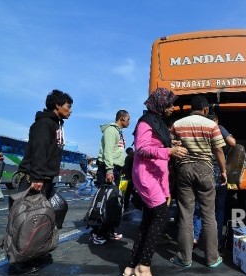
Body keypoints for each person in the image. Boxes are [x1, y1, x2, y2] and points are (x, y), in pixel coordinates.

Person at [122, 88, 187, 276]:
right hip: (146, 176)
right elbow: (142, 149)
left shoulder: (157, 122)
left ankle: (132, 266)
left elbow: (158, 148)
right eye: (170, 105)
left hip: (157, 177)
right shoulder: (145, 122)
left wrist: (171, 146)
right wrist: (169, 151)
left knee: (148, 221)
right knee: (160, 216)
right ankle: (144, 265)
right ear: (160, 105)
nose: (173, 108)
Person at [12, 89, 73, 274]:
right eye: (68, 106)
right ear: (57, 106)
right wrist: (38, 177)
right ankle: (20, 261)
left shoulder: (56, 124)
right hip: (34, 179)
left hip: (44, 179)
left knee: (41, 218)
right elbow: (39, 150)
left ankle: (34, 252)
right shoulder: (44, 124)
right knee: (27, 220)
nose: (70, 110)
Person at [170, 95, 227, 268]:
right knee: (208, 215)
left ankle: (185, 259)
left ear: (190, 108)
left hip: (184, 169)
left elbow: (172, 146)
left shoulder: (177, 124)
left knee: (186, 214)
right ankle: (211, 259)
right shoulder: (212, 125)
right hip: (205, 170)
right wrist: (223, 171)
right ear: (206, 109)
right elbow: (218, 150)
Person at [193, 113, 236, 250]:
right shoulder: (217, 127)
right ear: (216, 120)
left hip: (201, 171)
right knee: (219, 209)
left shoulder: (199, 128)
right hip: (217, 172)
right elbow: (232, 143)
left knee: (199, 207)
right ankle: (216, 240)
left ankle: (195, 237)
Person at [91, 109, 130, 244]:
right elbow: (108, 151)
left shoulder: (119, 132)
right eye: (128, 119)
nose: (129, 122)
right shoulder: (111, 131)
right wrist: (109, 170)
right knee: (105, 202)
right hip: (108, 169)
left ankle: (109, 231)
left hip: (115, 169)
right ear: (122, 118)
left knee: (113, 202)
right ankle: (97, 233)